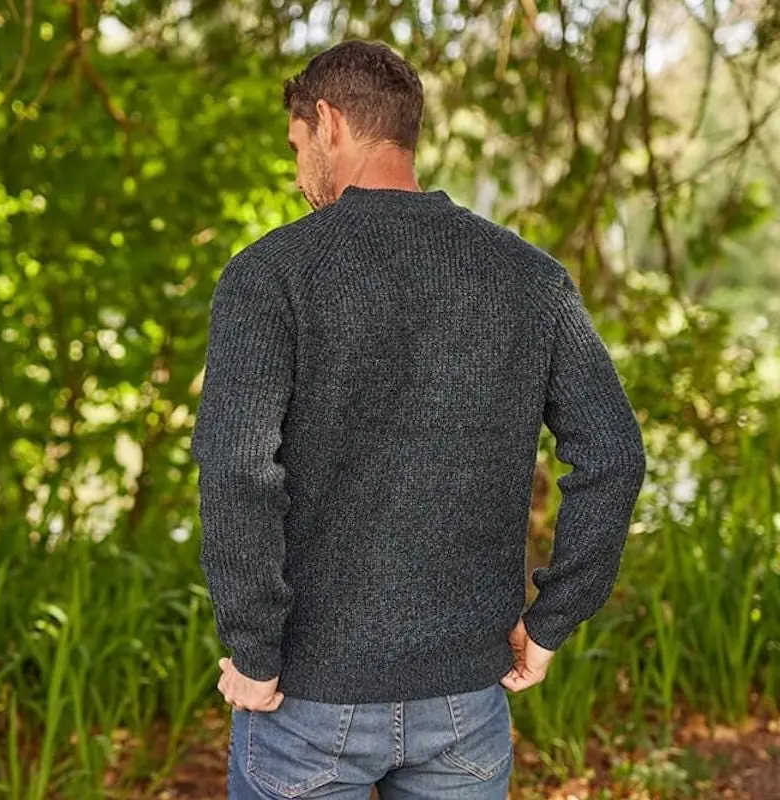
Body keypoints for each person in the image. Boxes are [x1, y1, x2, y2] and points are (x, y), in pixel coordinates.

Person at [191, 38, 646, 800]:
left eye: (298, 147)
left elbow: (238, 467)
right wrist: (552, 622)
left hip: (306, 698)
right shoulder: (529, 279)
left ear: (330, 122)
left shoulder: (270, 275)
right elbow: (615, 455)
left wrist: (255, 651)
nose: (300, 174)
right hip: (465, 703)